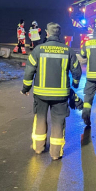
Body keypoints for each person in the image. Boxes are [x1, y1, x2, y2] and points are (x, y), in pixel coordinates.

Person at [22, 23, 80, 160]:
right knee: (59, 122)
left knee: (40, 119)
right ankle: (55, 153)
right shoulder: (68, 50)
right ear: (58, 35)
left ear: (47, 33)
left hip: (41, 95)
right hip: (60, 95)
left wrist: (25, 88)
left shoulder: (38, 50)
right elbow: (77, 71)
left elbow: (29, 71)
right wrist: (75, 84)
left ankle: (38, 147)